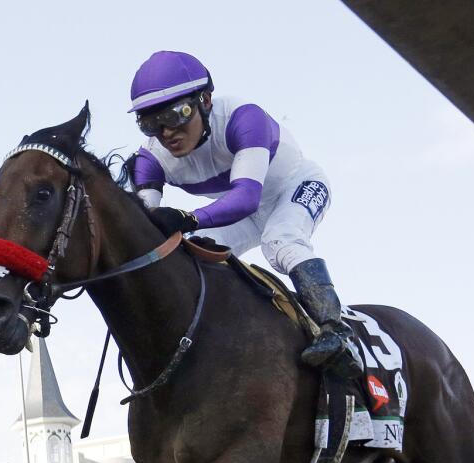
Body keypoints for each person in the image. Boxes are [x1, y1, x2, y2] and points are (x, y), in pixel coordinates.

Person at [126, 50, 362, 380]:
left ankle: (333, 330)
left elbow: (247, 198)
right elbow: (146, 231)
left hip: (293, 186)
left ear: (205, 100)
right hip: (237, 210)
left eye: (176, 114)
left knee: (281, 241)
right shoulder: (150, 159)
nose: (166, 133)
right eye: (150, 123)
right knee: (190, 253)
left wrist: (188, 217)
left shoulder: (242, 118)